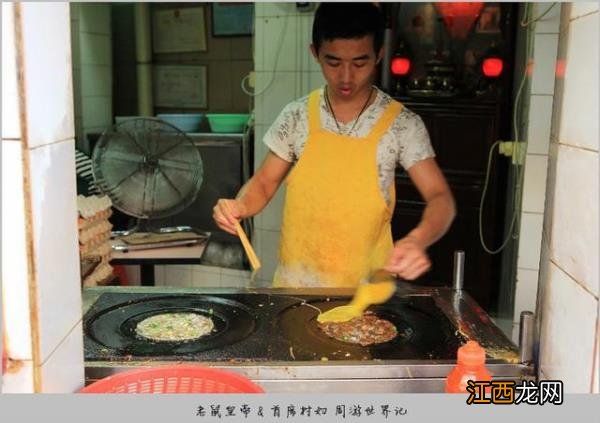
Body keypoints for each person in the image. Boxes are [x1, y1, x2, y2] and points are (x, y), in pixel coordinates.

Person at [214, 3, 455, 288]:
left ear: (379, 55)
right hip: (295, 289)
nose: (346, 77)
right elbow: (264, 182)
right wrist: (239, 206)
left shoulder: (402, 124)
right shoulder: (297, 116)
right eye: (333, 62)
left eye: (359, 62)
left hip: (366, 295)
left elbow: (441, 199)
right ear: (314, 52)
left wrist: (417, 240)